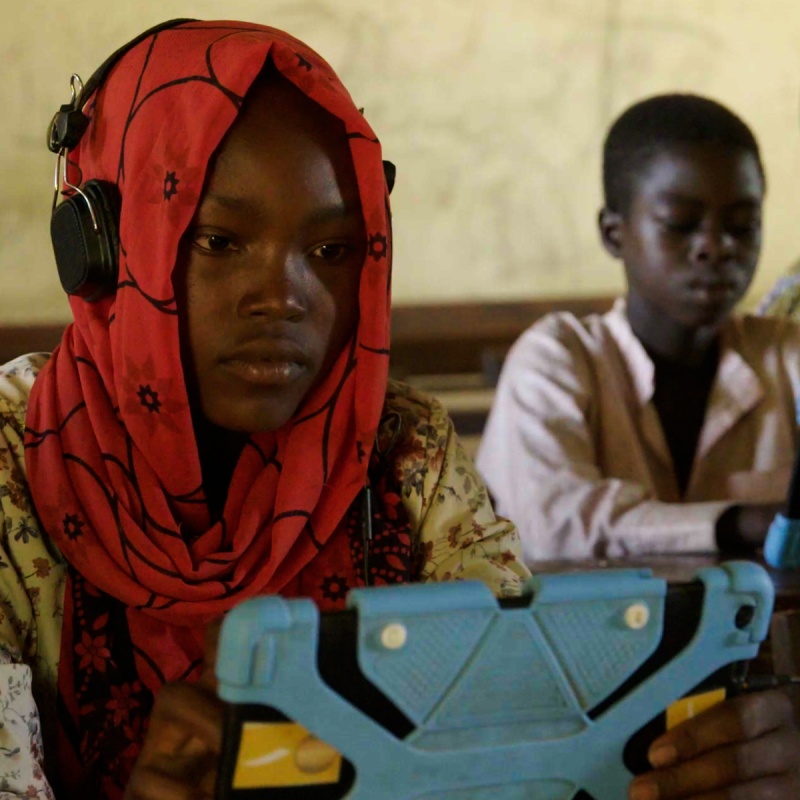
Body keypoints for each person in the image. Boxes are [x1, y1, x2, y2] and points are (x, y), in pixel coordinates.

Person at [0, 24, 795, 799]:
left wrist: (693, 762)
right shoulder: (9, 459)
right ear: (102, 244)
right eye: (218, 241)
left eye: (332, 251)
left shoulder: (401, 448)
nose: (283, 296)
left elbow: (522, 728)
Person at [477, 93, 800, 565]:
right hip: (588, 639)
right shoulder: (557, 358)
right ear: (614, 234)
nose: (715, 247)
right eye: (681, 224)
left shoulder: (785, 357)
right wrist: (741, 521)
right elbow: (551, 524)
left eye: (742, 225)